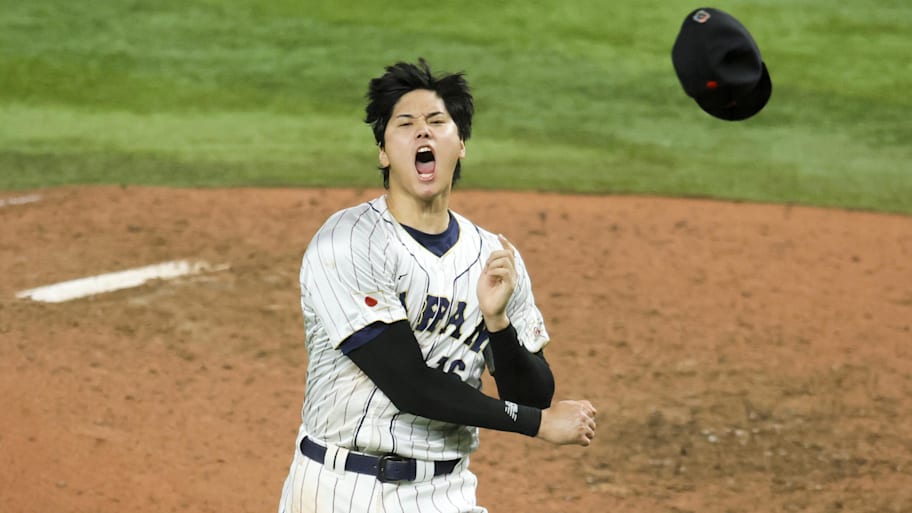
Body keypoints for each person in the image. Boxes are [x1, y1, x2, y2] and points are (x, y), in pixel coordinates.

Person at [277, 58, 597, 513]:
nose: (423, 133)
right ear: (384, 152)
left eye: (437, 122)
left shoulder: (493, 256)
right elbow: (410, 385)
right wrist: (536, 424)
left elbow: (532, 394)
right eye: (405, 124)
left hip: (446, 491)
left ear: (460, 144)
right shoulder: (348, 242)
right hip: (342, 488)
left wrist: (498, 324)